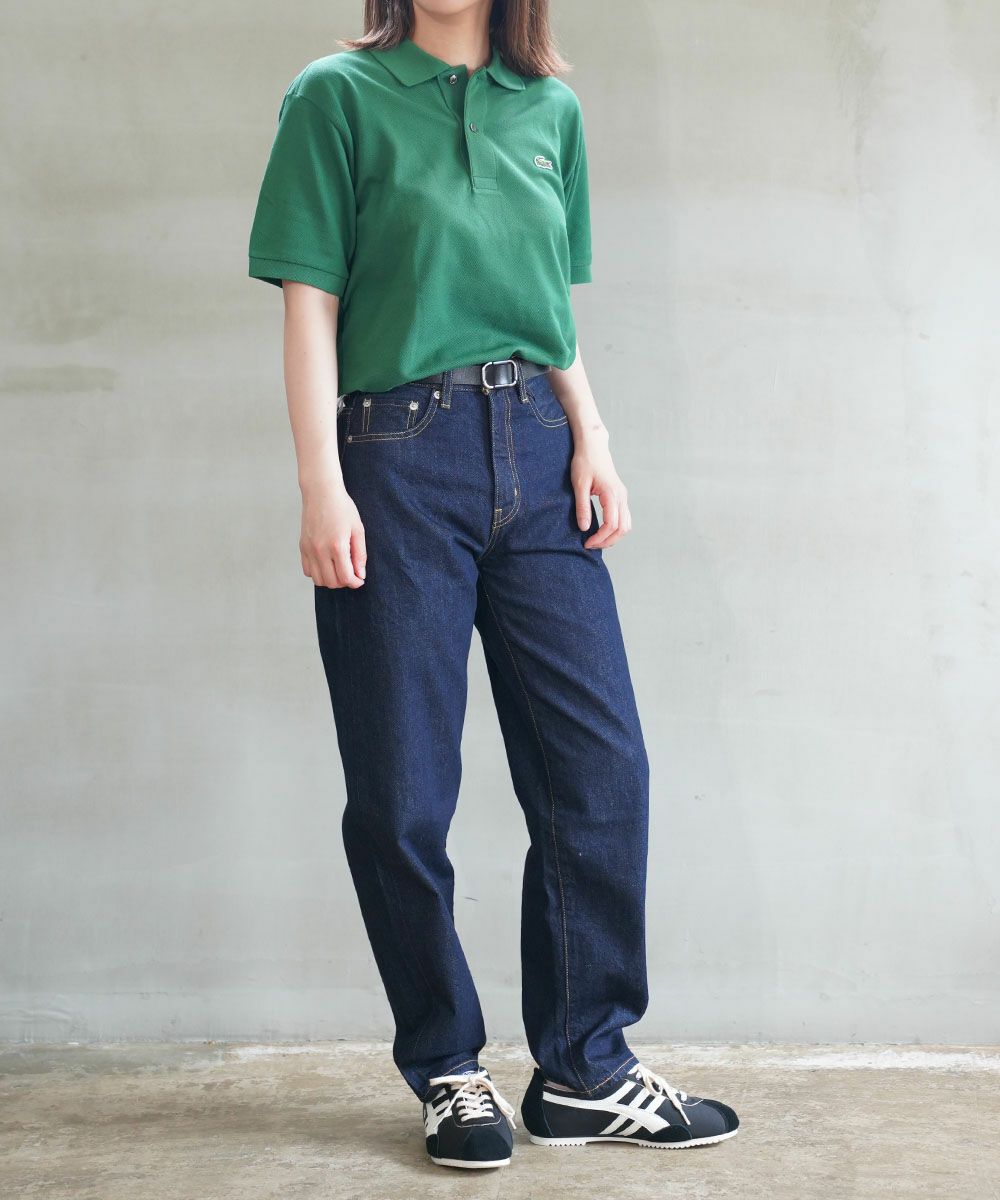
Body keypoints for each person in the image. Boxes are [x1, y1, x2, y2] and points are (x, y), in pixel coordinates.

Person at [248, 0, 739, 1170]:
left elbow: (546, 304)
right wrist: (321, 482)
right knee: (403, 792)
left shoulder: (550, 110)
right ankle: (447, 1065)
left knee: (598, 772)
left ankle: (583, 1070)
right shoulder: (336, 97)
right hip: (396, 457)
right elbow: (311, 304)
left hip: (536, 445)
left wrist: (593, 436)